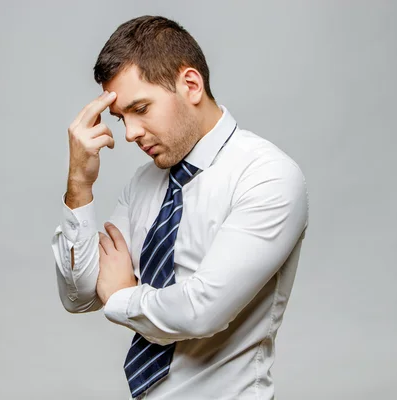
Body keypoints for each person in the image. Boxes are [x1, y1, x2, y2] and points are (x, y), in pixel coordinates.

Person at [50, 15, 309, 400]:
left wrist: (123, 296)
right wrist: (80, 186)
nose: (130, 133)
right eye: (122, 118)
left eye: (141, 108)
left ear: (190, 84)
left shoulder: (267, 176)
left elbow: (201, 310)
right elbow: (82, 295)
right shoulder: (143, 183)